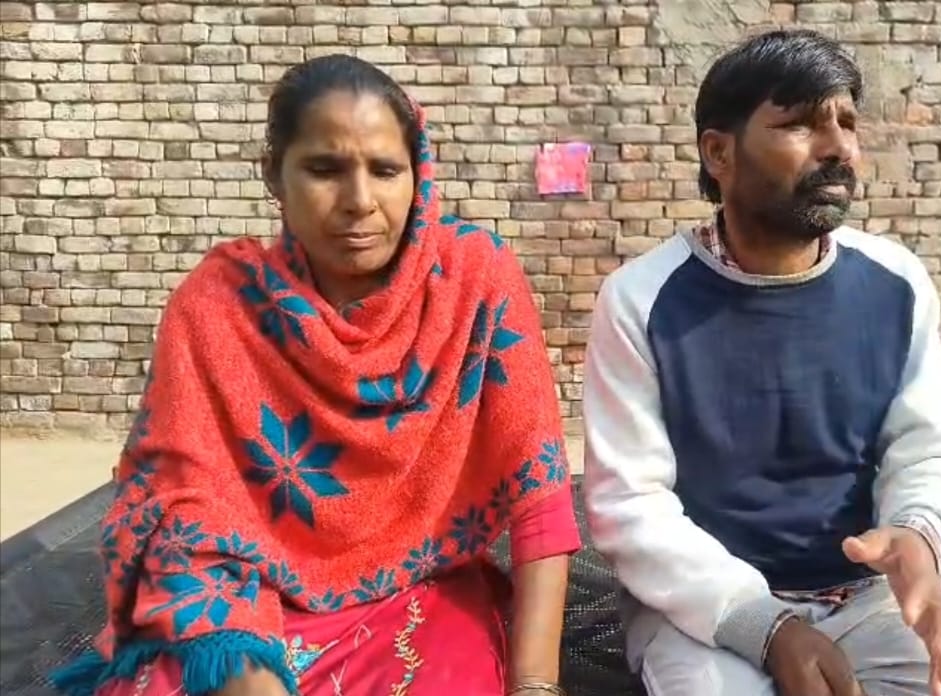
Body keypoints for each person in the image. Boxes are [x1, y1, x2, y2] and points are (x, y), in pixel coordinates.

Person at [52, 54, 579, 696]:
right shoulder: (218, 306)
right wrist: (247, 672)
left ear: (419, 173)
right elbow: (180, 511)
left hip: (423, 588)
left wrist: (535, 685)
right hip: (252, 598)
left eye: (385, 170)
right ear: (274, 174)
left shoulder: (473, 284)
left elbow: (539, 492)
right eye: (325, 170)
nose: (360, 202)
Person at [581, 29, 941, 696]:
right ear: (718, 152)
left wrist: (918, 536)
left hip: (867, 600)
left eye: (847, 122)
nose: (838, 147)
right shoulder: (641, 299)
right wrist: (765, 625)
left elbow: (929, 444)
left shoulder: (895, 282)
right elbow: (629, 502)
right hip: (703, 610)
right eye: (799, 124)